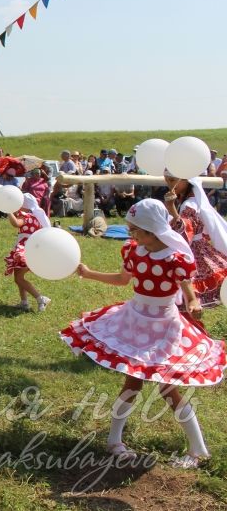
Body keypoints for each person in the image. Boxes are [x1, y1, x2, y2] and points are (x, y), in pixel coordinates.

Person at [63, 199, 224, 468]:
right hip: (134, 322)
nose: (130, 234)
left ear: (151, 231)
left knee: (169, 388)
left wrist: (194, 303)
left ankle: (198, 449)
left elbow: (188, 292)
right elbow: (122, 279)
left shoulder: (177, 259)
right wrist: (90, 274)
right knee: (132, 382)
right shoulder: (134, 252)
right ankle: (114, 441)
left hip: (164, 327)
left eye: (134, 229)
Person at [164, 174, 227, 308]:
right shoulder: (190, 199)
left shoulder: (189, 204)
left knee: (186, 289)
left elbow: (186, 231)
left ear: (186, 181)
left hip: (193, 250)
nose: (169, 184)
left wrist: (171, 209)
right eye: (167, 180)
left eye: (173, 180)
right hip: (198, 246)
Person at [4, 195, 52, 312]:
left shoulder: (26, 216)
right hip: (30, 249)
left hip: (25, 250)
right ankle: (24, 302)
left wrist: (7, 211)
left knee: (19, 278)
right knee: (18, 276)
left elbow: (16, 223)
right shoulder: (37, 218)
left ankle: (41, 298)